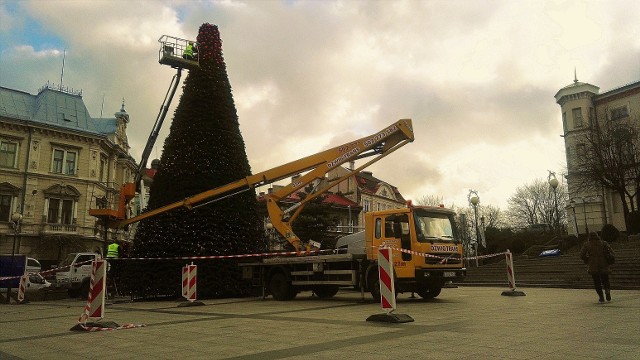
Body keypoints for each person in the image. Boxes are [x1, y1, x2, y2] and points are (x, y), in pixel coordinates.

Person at [580, 230, 615, 302]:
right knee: (605, 279)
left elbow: (582, 255)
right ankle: (607, 291)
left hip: (593, 264)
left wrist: (587, 260)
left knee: (596, 281)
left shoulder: (587, 244)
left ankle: (601, 296)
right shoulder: (603, 243)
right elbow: (612, 252)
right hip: (603, 263)